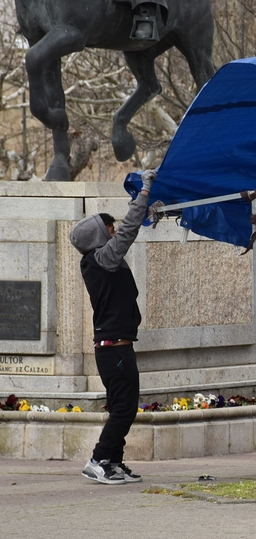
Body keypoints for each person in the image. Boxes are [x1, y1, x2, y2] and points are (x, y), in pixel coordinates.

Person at [69, 169, 155, 484]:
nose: (115, 230)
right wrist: (143, 192)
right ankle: (98, 459)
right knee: (124, 409)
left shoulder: (102, 262)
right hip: (115, 349)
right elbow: (129, 230)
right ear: (100, 234)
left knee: (123, 407)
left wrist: (150, 207)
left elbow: (129, 229)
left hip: (115, 347)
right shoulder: (102, 258)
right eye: (110, 227)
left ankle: (113, 462)